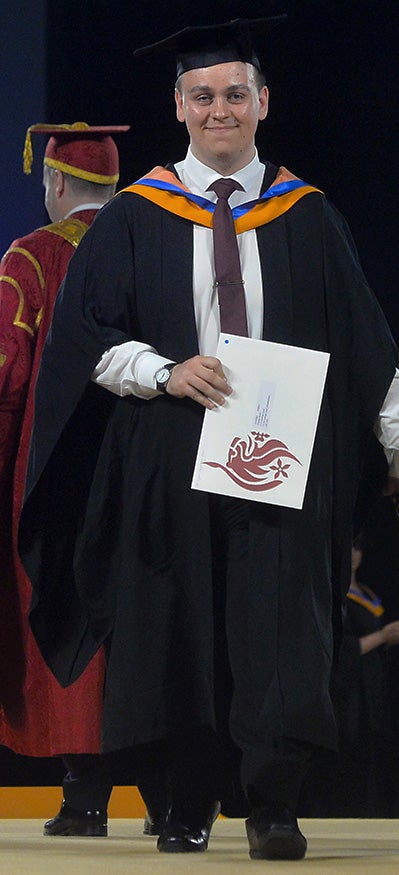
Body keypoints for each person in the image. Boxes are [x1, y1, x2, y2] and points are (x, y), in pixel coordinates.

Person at [17, 17, 399, 860]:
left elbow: (367, 343)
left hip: (281, 449)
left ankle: (273, 804)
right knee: (174, 624)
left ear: (263, 103)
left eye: (235, 94)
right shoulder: (135, 215)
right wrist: (165, 370)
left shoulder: (308, 214)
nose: (219, 110)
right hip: (167, 452)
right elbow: (83, 335)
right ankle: (183, 803)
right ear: (178, 105)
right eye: (202, 96)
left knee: (281, 625)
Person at [0, 122, 136, 837]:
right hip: (144, 471)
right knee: (147, 616)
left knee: (70, 615)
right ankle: (182, 797)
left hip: (55, 474)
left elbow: (7, 375)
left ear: (55, 184)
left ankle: (85, 795)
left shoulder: (31, 259)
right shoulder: (153, 251)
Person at [324, 532, 399, 817]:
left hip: (374, 685)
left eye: (358, 547)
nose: (354, 554)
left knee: (378, 753)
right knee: (351, 752)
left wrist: (389, 638)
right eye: (348, 547)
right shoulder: (332, 595)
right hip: (347, 690)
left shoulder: (369, 594)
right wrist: (381, 636)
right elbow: (340, 648)